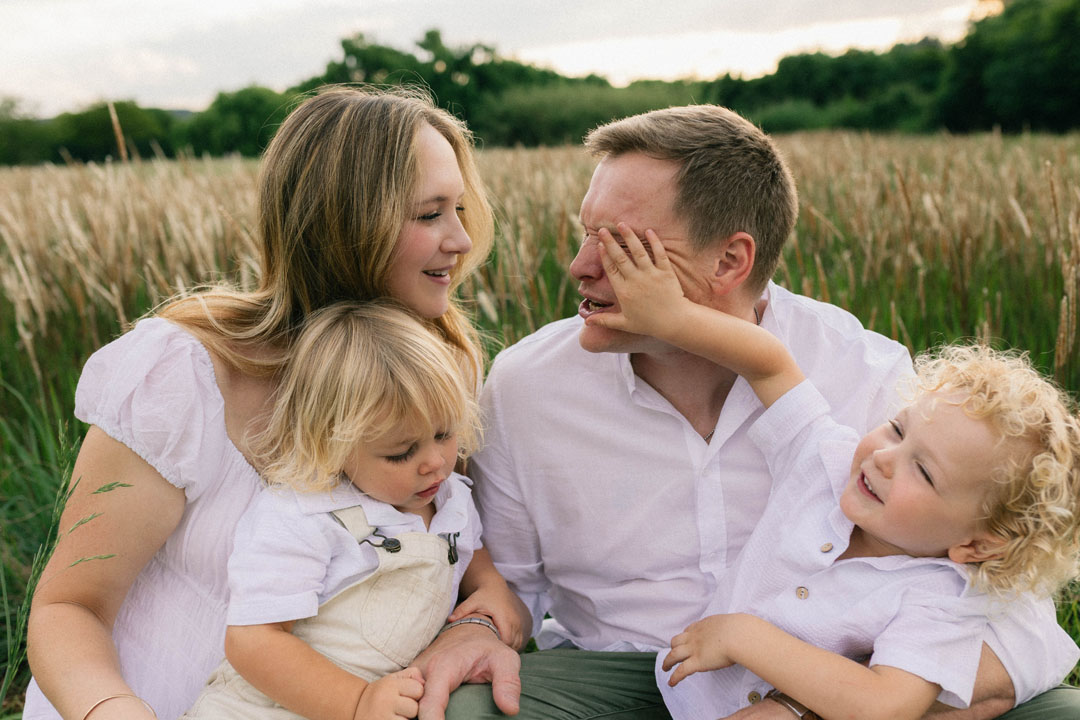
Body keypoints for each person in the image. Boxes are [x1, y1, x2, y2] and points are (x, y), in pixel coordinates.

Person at [434, 105, 1080, 720]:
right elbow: (509, 585)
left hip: (836, 679)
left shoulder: (865, 372)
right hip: (627, 677)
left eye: (624, 247)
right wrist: (476, 626)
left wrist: (810, 705)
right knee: (466, 709)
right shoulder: (528, 384)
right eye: (585, 235)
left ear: (730, 261)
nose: (579, 267)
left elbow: (1009, 611)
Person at [25, 86, 523, 720]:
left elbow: (443, 540)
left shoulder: (439, 364)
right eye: (429, 215)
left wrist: (474, 621)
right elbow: (69, 606)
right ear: (344, 224)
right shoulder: (184, 373)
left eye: (459, 208)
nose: (461, 239)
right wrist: (114, 710)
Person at [587, 224, 1080, 720]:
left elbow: (882, 703)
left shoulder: (940, 599)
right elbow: (770, 366)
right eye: (896, 428)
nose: (886, 457)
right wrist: (674, 319)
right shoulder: (824, 463)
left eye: (925, 473)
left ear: (977, 545)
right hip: (686, 699)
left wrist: (744, 637)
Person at [178, 301, 522, 720]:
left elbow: (465, 544)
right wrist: (356, 703)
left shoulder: (448, 496)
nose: (434, 462)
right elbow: (253, 640)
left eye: (444, 433)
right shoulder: (306, 514)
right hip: (263, 708)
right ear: (331, 446)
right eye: (401, 453)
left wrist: (489, 586)